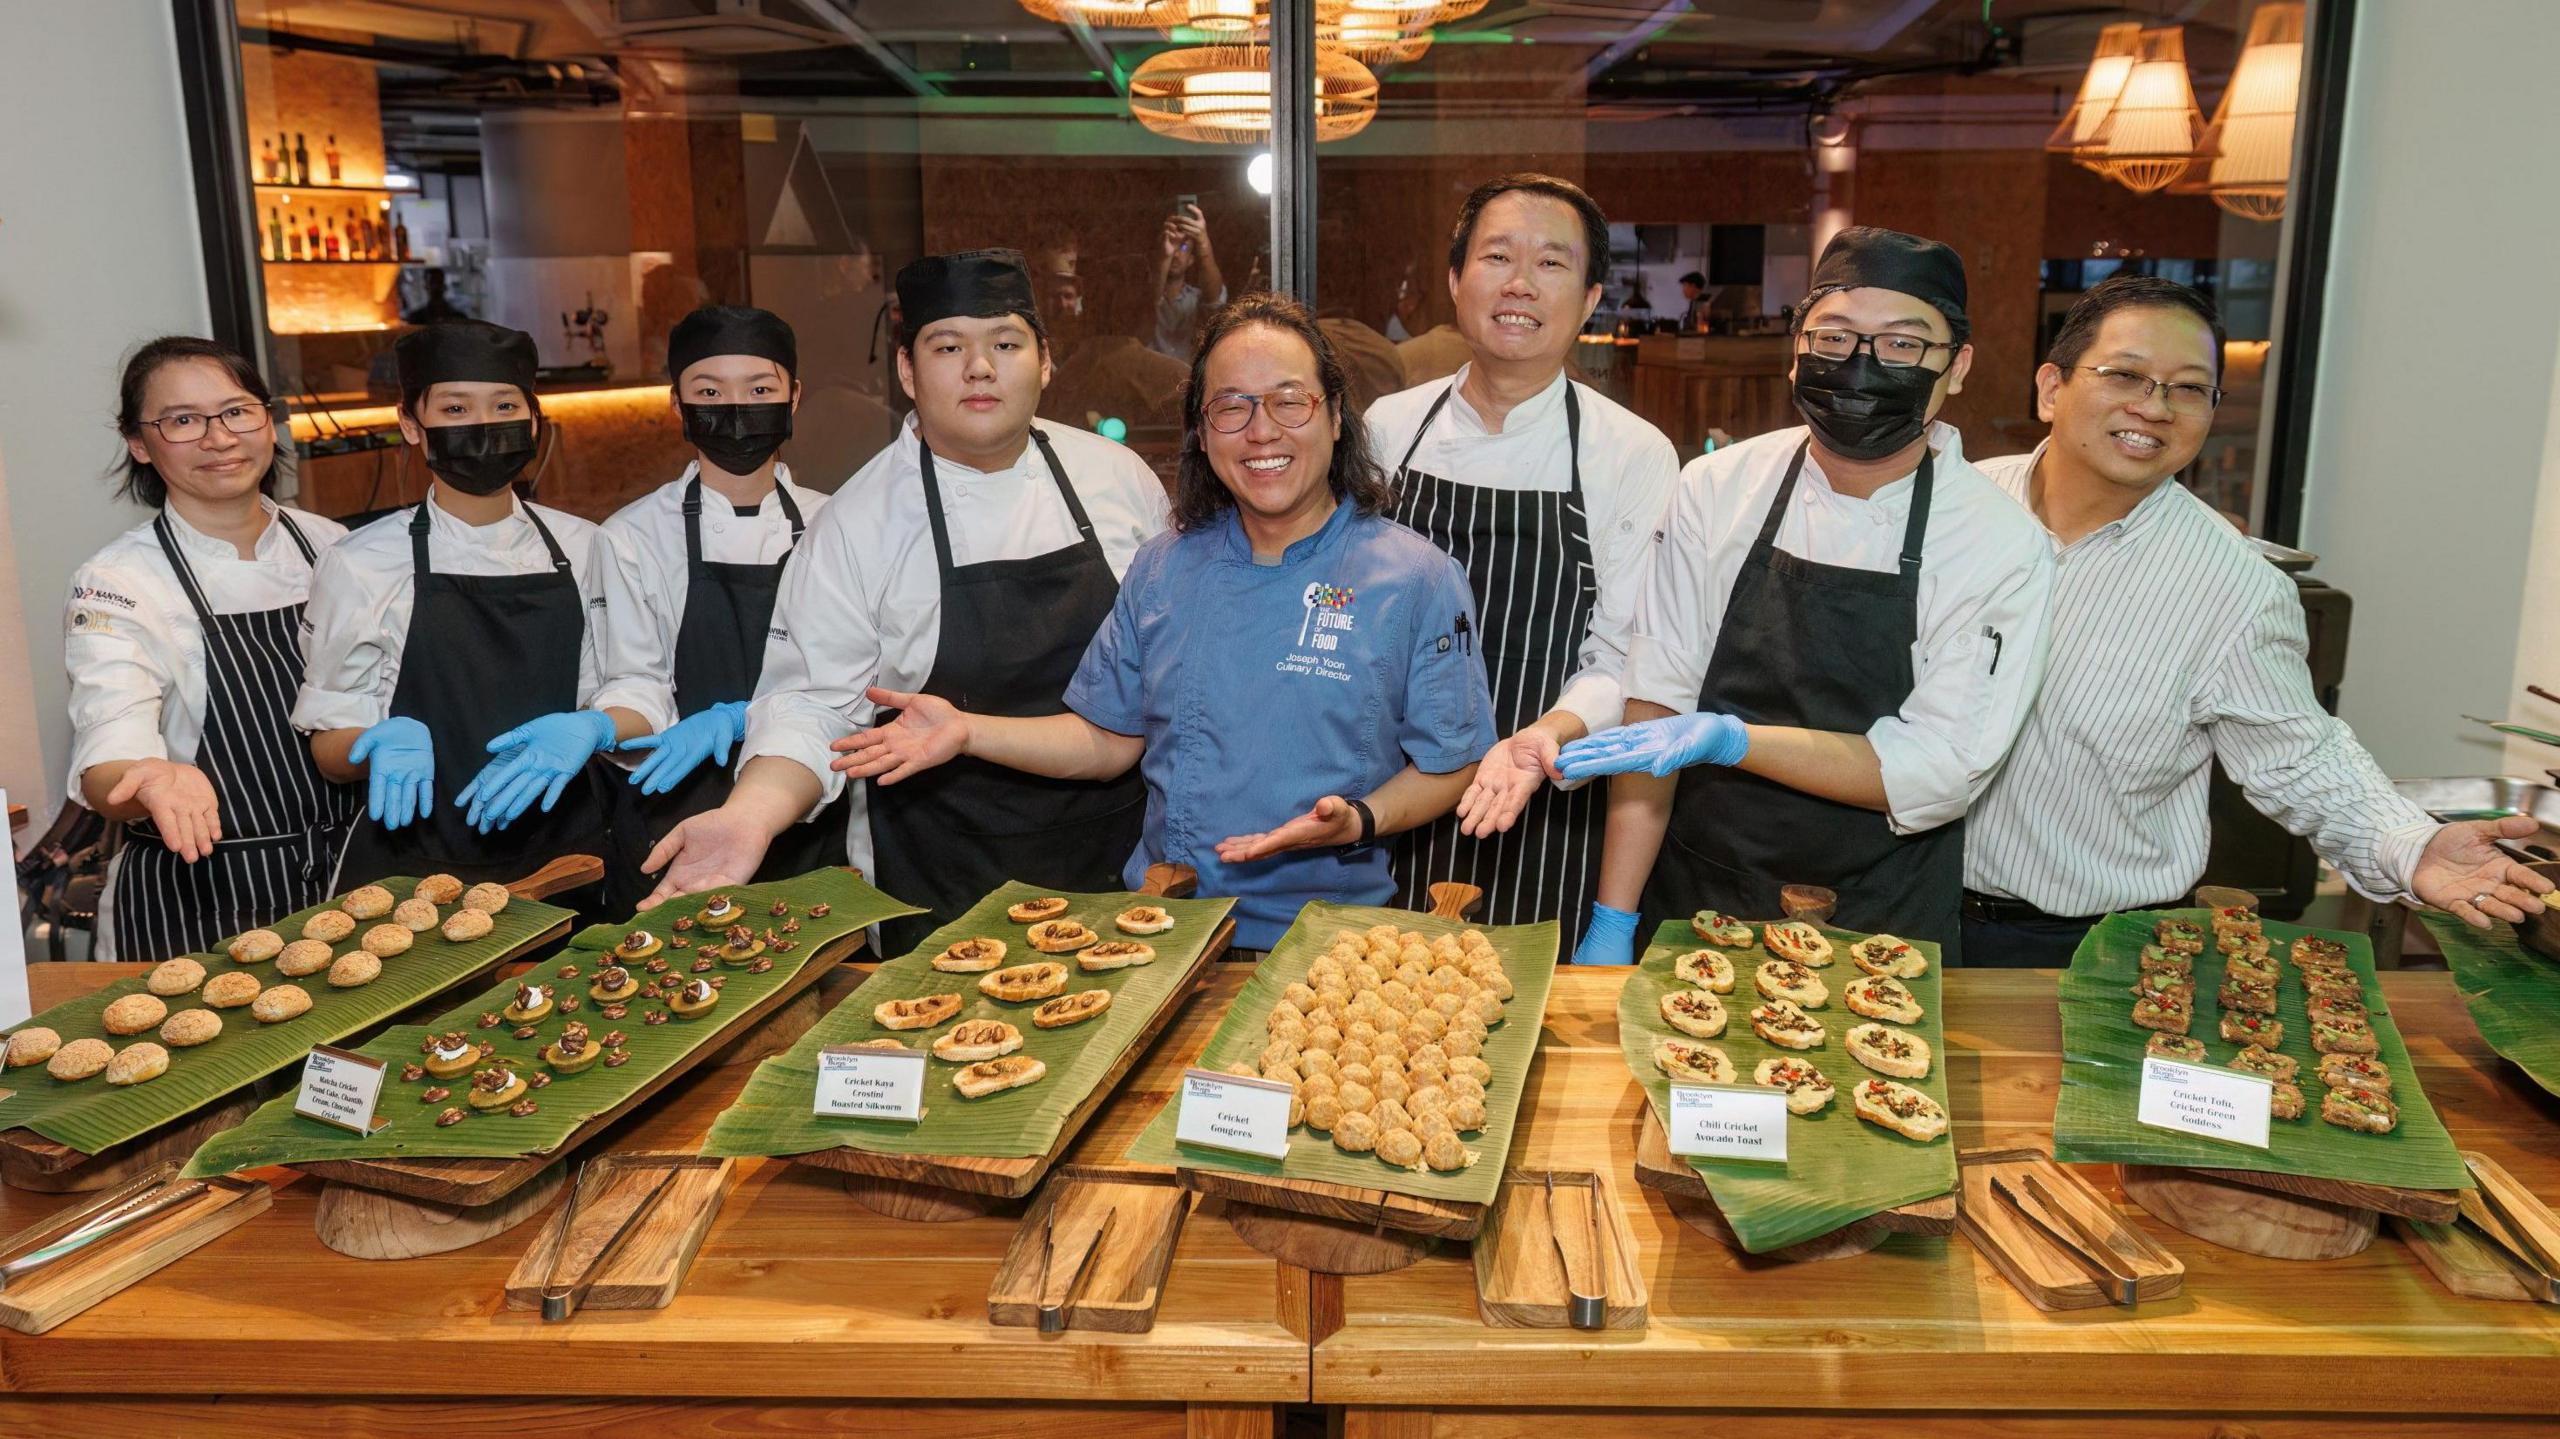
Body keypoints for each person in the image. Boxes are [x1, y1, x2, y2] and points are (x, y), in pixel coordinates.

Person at [836, 294, 1499, 953]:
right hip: (1163, 933)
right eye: (1231, 407)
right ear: (1202, 432)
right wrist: (967, 730)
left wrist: (1359, 818)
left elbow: (1455, 762)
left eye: (1289, 401)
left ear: (1333, 418)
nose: (1261, 431)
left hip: (1329, 944)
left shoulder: (1414, 577)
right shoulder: (1165, 566)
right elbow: (1107, 739)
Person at [1962, 275, 2551, 964]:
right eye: (2126, 374)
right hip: (1898, 899)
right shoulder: (1954, 508)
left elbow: (2301, 753)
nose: (2154, 406)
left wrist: (2413, 845)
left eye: (2188, 388)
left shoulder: (2234, 585)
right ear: (2052, 388)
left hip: (2085, 946)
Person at [636, 251, 1169, 952]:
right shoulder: (857, 523)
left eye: (1005, 344)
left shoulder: (1119, 481)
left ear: (1044, 361)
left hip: (1117, 871)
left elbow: (1168, 669)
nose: (980, 368)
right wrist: (751, 815)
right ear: (908, 372)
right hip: (937, 886)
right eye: (948, 347)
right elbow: (812, 708)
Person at [1551, 226, 2057, 964]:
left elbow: (1936, 770)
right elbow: (1656, 708)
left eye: (1902, 345)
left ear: (1958, 367)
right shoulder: (1717, 489)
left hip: (1882, 919)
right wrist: (1614, 916)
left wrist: (1734, 738)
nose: (1861, 364)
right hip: (1701, 894)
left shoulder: (1998, 542)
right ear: (1796, 349)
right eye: (1835, 336)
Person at [1367, 174, 1679, 950]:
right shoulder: (1388, 426)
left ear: (1592, 296)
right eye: (1497, 256)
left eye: (1550, 264)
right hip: (1386, 789)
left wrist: (1543, 737)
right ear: (1454, 279)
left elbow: (1625, 657)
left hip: (1543, 798)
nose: (1518, 284)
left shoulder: (1631, 453)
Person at [298, 321, 644, 891]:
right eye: (455, 410)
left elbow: (641, 689)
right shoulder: (360, 562)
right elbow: (328, 747)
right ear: (411, 425)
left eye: (504, 404)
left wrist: (595, 726)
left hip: (572, 860)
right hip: (413, 870)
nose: (483, 425)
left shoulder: (588, 546)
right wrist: (373, 743)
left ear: (533, 419)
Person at [64, 337, 354, 962]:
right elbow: (106, 757)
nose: (219, 438)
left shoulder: (333, 547)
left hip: (350, 879)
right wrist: (154, 778)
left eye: (237, 411)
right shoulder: (119, 581)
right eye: (183, 420)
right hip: (203, 898)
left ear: (268, 421)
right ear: (140, 443)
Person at [591, 305, 833, 911]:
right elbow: (634, 681)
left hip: (809, 819)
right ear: (677, 404)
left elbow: (854, 687)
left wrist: (740, 719)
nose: (735, 409)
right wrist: (598, 722)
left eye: (759, 389)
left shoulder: (837, 524)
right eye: (708, 391)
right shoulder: (630, 536)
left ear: (793, 396)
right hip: (672, 826)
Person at [1150, 200, 1226, 360]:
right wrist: (1164, 256)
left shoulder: (1196, 298)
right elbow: (1147, 305)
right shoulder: (1141, 293)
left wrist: (1203, 242)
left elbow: (1214, 300)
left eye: (1184, 248)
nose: (1176, 254)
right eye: (1173, 243)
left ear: (1192, 259)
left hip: (1188, 381)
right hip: (1149, 382)